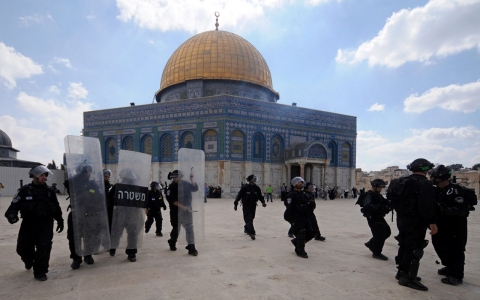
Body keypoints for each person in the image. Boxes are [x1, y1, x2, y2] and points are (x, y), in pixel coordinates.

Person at [4, 165, 64, 281]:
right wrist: (12, 215)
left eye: (45, 175)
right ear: (34, 176)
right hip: (28, 224)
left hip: (45, 224)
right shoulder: (24, 191)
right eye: (42, 175)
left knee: (44, 247)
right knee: (22, 248)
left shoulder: (50, 192)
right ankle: (28, 260)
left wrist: (60, 221)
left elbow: (56, 207)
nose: (44, 178)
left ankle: (40, 271)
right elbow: (14, 205)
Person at [390, 158, 438, 291]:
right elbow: (426, 206)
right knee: (415, 248)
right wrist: (432, 223)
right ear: (426, 169)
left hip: (402, 219)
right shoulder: (424, 184)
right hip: (416, 222)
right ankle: (407, 277)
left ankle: (401, 272)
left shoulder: (401, 182)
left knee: (404, 244)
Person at [430, 165, 476, 286]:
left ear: (440, 178)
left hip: (455, 225)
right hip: (441, 224)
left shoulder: (455, 190)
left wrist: (442, 208)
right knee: (439, 245)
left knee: (455, 249)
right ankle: (449, 266)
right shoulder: (438, 190)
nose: (432, 179)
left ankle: (456, 275)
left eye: (434, 177)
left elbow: (460, 209)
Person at [64, 163, 103, 269]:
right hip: (76, 213)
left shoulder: (92, 185)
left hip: (89, 214)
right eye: (85, 172)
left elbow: (100, 196)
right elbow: (67, 182)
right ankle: (76, 258)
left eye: (89, 172)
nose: (87, 174)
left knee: (89, 236)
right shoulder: (73, 183)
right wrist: (81, 174)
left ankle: (87, 255)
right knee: (74, 237)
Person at [166, 170, 199, 255]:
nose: (175, 178)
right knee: (176, 228)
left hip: (187, 210)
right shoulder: (171, 187)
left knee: (189, 228)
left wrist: (192, 179)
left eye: (176, 177)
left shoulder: (185, 184)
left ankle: (191, 247)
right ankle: (172, 242)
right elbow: (172, 200)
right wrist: (182, 207)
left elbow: (195, 188)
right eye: (174, 177)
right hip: (176, 211)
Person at [284, 177, 317, 258]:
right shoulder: (291, 195)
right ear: (294, 184)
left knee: (312, 232)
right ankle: (300, 251)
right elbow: (290, 207)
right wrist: (292, 220)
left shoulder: (303, 194)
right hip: (296, 217)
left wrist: (310, 205)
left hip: (305, 216)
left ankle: (297, 242)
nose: (301, 183)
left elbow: (310, 204)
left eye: (301, 182)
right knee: (301, 232)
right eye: (299, 182)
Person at [362, 179, 391, 260]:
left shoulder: (377, 194)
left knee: (387, 232)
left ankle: (371, 243)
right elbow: (368, 206)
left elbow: (384, 201)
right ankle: (376, 253)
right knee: (380, 234)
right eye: (379, 188)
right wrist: (381, 207)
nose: (380, 189)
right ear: (374, 187)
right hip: (373, 217)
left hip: (379, 216)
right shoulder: (369, 195)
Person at [234, 174, 267, 240]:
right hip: (246, 205)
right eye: (252, 179)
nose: (254, 181)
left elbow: (260, 196)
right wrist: (236, 204)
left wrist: (263, 202)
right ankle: (252, 233)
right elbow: (239, 195)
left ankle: (246, 228)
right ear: (250, 180)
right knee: (248, 218)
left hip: (253, 205)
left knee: (252, 217)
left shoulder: (256, 188)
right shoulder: (245, 187)